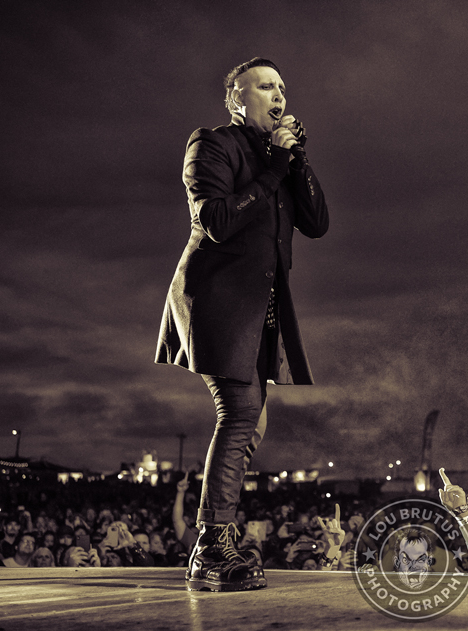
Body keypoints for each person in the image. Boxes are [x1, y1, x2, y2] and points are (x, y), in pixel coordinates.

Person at [154, 56, 329, 592]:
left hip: (258, 307)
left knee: (252, 423)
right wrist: (274, 167)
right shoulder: (212, 144)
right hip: (216, 299)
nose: (278, 95)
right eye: (265, 86)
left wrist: (295, 160)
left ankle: (216, 535)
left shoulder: (276, 155)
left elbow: (317, 223)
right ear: (236, 98)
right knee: (241, 412)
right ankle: (211, 547)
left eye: (282, 88)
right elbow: (215, 221)